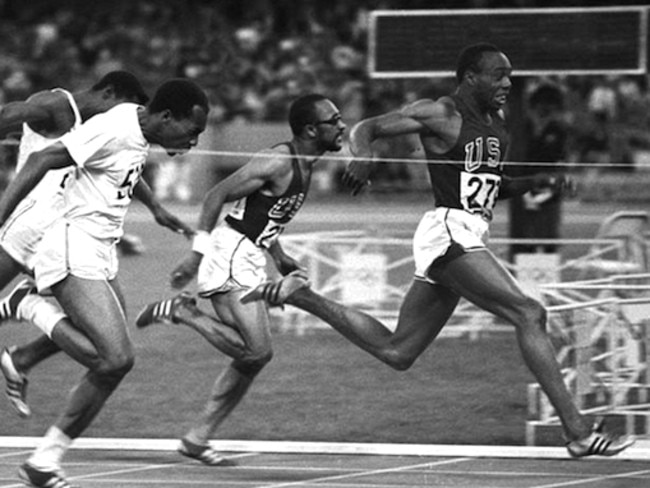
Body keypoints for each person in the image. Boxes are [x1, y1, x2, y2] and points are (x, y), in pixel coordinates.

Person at [244, 44, 634, 458]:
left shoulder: (498, 126)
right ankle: (577, 431)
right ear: (471, 78)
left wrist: (538, 182)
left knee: (398, 351)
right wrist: (364, 155)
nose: (508, 83)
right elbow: (368, 127)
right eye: (498, 75)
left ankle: (303, 296)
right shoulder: (441, 113)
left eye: (509, 75)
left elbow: (487, 190)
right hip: (448, 232)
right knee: (529, 312)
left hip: (464, 233)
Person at [0, 78, 209, 488]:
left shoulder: (136, 125)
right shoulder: (116, 126)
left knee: (113, 360)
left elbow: (123, 167)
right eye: (193, 131)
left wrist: (157, 210)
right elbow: (43, 161)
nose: (195, 141)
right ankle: (31, 307)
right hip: (70, 245)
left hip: (99, 250)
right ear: (168, 117)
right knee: (114, 359)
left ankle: (44, 461)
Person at [135, 94, 345, 465]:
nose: (343, 125)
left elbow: (261, 214)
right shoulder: (278, 159)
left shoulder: (305, 166)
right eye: (335, 120)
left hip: (248, 255)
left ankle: (198, 438)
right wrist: (197, 254)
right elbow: (217, 194)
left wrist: (278, 256)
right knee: (258, 351)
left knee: (251, 359)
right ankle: (184, 312)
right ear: (312, 129)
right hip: (231, 253)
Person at [508, 83, 568, 258]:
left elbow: (561, 160)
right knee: (526, 234)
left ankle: (549, 270)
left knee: (549, 233)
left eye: (550, 106)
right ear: (535, 106)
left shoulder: (558, 130)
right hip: (525, 185)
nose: (546, 109)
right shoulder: (522, 128)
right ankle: (523, 271)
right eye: (542, 104)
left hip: (549, 188)